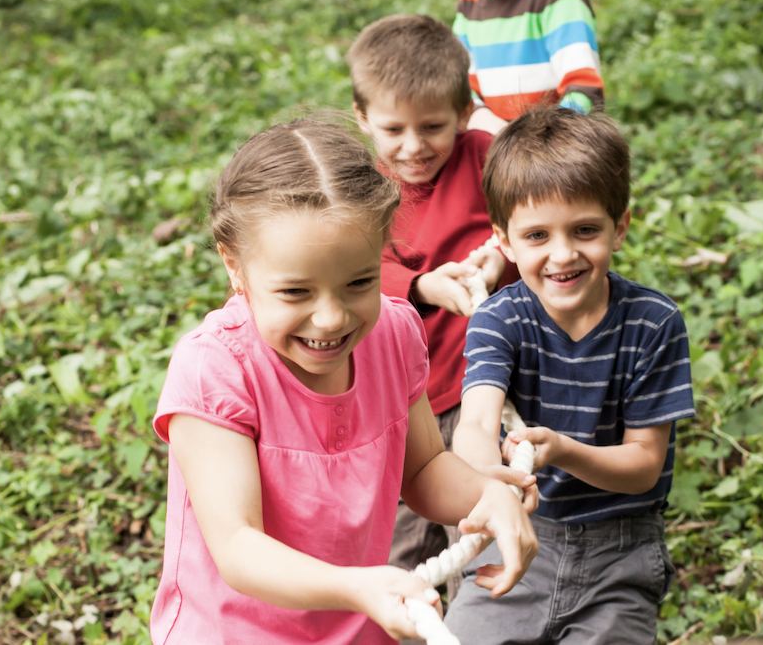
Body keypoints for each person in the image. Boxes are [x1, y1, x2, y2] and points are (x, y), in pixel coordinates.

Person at [148, 119, 537, 645]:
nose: (331, 319)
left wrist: (485, 493)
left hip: (359, 627)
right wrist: (355, 587)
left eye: (359, 282)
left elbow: (422, 469)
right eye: (294, 292)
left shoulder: (394, 332)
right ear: (233, 264)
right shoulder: (217, 369)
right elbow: (238, 544)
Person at [447, 106, 696, 644]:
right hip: (520, 533)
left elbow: (642, 467)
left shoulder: (653, 324)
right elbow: (474, 425)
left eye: (585, 230)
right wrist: (496, 486)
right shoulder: (500, 318)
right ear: (505, 243)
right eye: (537, 235)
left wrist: (560, 449)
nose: (563, 254)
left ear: (620, 227)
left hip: (620, 554)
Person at [346, 14, 533, 607]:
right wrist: (422, 285)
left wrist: (504, 256)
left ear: (464, 112)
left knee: (474, 536)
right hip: (402, 399)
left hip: (479, 388)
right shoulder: (360, 188)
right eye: (393, 128)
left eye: (433, 127)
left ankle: (482, 619)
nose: (413, 146)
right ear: (362, 118)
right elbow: (351, 272)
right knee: (403, 544)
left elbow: (531, 221)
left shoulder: (487, 159)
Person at [453, 0, 605, 135]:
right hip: (492, 147)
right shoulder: (469, 0)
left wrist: (548, 138)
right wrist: (478, 114)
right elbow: (459, 80)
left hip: (551, 149)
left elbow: (584, 88)